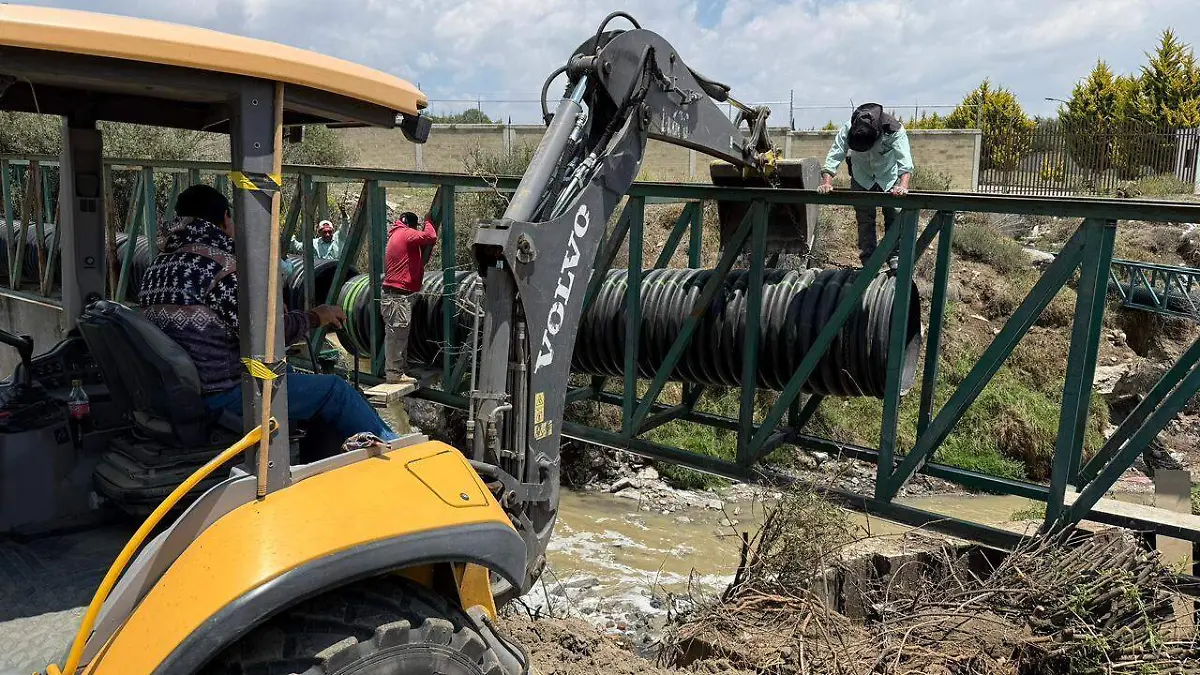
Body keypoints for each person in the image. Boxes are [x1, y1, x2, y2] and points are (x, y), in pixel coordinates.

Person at [139, 184, 399, 441]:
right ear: (226, 219)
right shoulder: (221, 269)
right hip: (224, 395)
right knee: (336, 391)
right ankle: (397, 448)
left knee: (291, 375)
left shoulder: (157, 266)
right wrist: (316, 317)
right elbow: (270, 335)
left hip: (177, 394)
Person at [817, 102, 914, 269]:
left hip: (887, 177)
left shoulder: (894, 130)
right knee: (864, 219)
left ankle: (895, 257)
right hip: (861, 176)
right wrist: (827, 182)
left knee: (894, 215)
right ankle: (869, 260)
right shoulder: (848, 128)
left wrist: (903, 185)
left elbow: (905, 161)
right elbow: (835, 154)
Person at [382, 210, 436, 384]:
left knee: (399, 335)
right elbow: (431, 236)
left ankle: (401, 370)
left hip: (396, 295)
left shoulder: (397, 234)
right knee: (396, 335)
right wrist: (428, 221)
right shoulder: (405, 233)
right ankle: (394, 374)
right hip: (396, 296)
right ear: (412, 226)